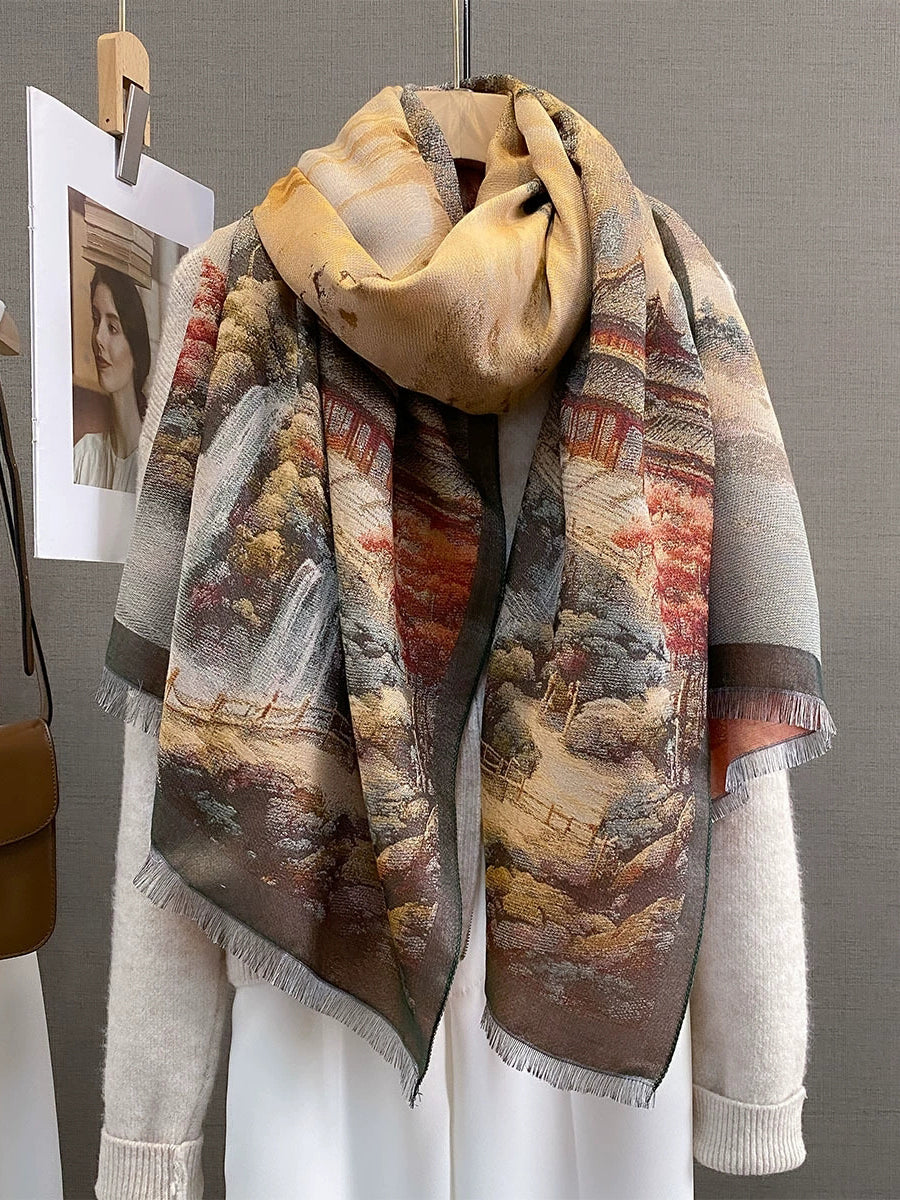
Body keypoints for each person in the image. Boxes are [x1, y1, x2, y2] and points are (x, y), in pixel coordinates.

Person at [73, 265, 150, 493]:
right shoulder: (84, 454)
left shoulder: (154, 465)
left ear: (135, 349)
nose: (98, 337)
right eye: (96, 320)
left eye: (113, 328)